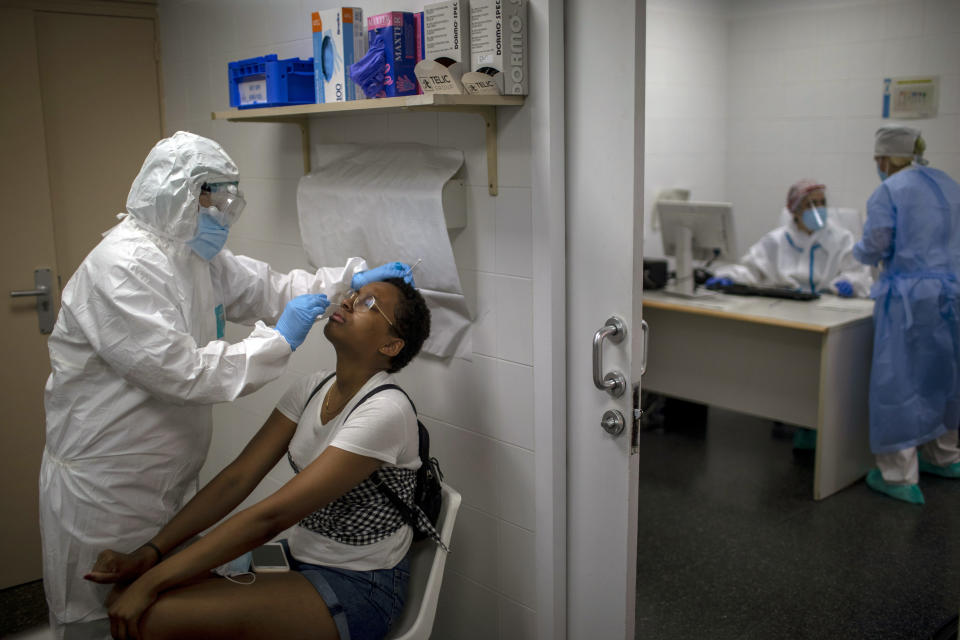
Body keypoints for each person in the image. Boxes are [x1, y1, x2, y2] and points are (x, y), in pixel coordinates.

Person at [40, 131, 414, 638]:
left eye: (228, 200)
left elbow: (273, 290)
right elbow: (184, 374)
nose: (224, 212)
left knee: (153, 606)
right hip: (107, 482)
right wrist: (278, 341)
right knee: (101, 619)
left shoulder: (194, 257)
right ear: (182, 194)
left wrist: (349, 281)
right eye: (217, 198)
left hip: (166, 479)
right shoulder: (122, 269)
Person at [85, 278, 435, 640]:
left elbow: (273, 516)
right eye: (353, 295)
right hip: (297, 556)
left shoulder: (387, 411)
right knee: (125, 594)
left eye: (368, 304)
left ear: (391, 345)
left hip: (358, 584)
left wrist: (154, 579)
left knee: (149, 615)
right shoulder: (313, 386)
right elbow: (238, 478)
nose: (347, 302)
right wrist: (151, 554)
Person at [852, 125, 960, 504]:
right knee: (943, 378)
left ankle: (899, 476)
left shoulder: (889, 190)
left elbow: (877, 243)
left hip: (908, 299)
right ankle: (945, 457)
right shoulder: (949, 184)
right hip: (951, 297)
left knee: (898, 382)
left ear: (885, 158)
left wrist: (859, 253)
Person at [707, 179, 872, 298]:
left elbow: (858, 274)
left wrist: (849, 283)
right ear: (795, 210)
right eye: (811, 205)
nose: (819, 209)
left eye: (822, 203)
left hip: (827, 305)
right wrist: (728, 277)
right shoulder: (776, 241)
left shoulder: (841, 239)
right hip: (784, 305)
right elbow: (752, 269)